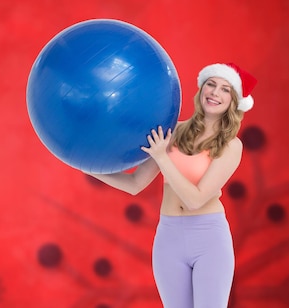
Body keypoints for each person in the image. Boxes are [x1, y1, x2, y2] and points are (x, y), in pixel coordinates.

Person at [87, 63, 257, 308]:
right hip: (169, 237)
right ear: (201, 88)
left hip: (209, 238)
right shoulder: (174, 131)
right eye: (211, 84)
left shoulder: (231, 146)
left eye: (225, 89)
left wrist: (163, 157)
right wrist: (92, 168)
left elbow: (195, 199)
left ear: (234, 101)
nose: (215, 92)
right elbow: (136, 183)